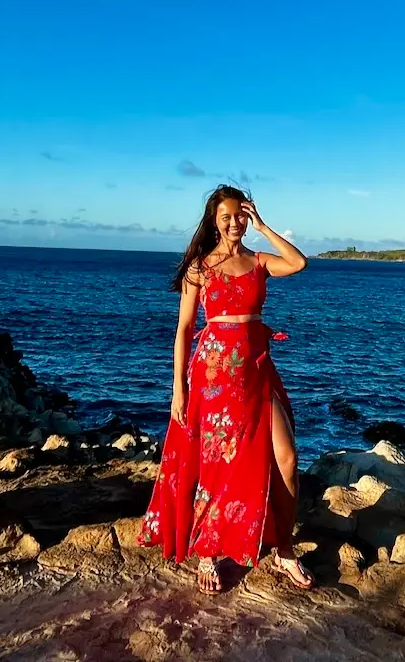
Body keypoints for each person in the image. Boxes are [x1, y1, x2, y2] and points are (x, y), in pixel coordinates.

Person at [137, 184, 314, 594]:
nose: (234, 222)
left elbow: (299, 262)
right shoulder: (200, 267)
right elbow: (183, 331)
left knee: (286, 457)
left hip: (256, 371)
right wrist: (177, 390)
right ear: (214, 222)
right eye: (226, 216)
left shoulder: (258, 262)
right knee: (214, 465)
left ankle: (284, 550)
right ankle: (209, 551)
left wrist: (265, 226)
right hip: (213, 376)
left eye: (240, 215)